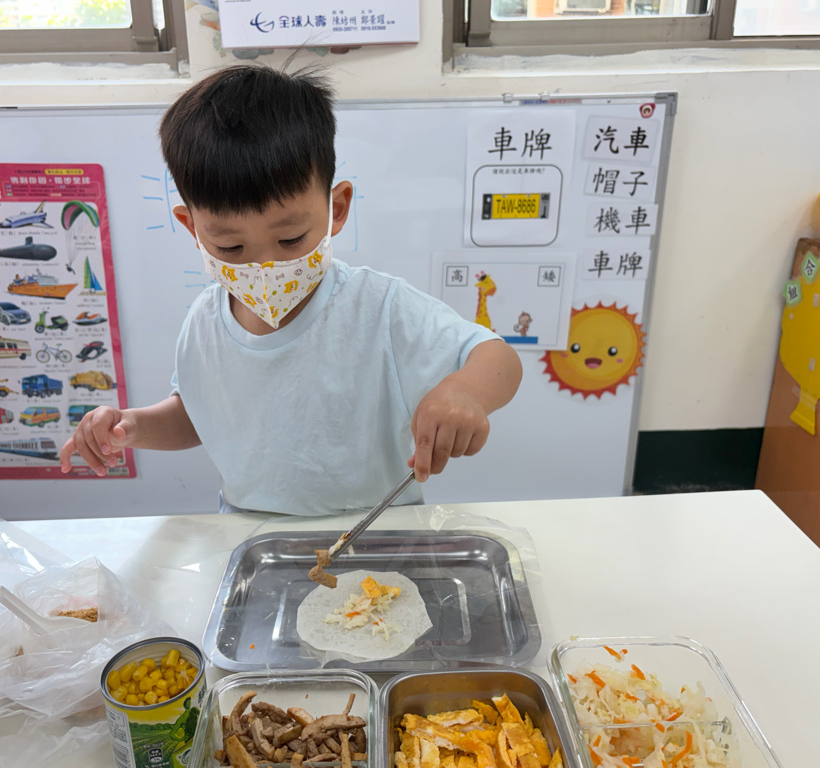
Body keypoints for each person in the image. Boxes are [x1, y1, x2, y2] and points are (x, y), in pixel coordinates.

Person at [60, 63, 522, 515]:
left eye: (291, 239)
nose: (265, 267)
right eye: (230, 246)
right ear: (192, 227)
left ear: (337, 208)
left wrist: (465, 392)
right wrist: (130, 427)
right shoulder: (204, 322)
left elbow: (497, 358)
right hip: (250, 535)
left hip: (372, 533)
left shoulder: (379, 307)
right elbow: (199, 415)